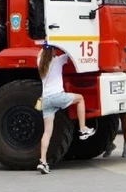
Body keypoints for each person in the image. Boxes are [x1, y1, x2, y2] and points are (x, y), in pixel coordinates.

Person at [36, 45, 95, 174]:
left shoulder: (39, 61)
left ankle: (43, 161)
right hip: (58, 96)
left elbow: (41, 50)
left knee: (47, 132)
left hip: (45, 99)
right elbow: (70, 51)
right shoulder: (58, 60)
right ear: (52, 51)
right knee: (80, 99)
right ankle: (83, 128)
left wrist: (47, 44)